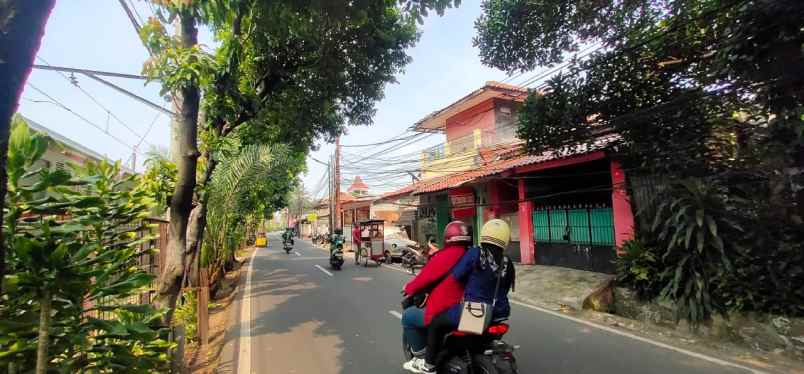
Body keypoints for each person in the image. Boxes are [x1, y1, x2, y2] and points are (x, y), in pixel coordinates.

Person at [418, 219, 517, 373]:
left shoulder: (476, 253)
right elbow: (507, 287)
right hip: (500, 313)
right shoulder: (507, 262)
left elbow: (456, 276)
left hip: (476, 313)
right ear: (505, 238)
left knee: (436, 323)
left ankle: (428, 364)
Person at [401, 221, 472, 373]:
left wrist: (408, 288)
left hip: (447, 310)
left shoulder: (444, 256)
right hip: (473, 310)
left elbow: (423, 278)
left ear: (448, 237)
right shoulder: (471, 255)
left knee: (408, 316)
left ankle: (421, 358)